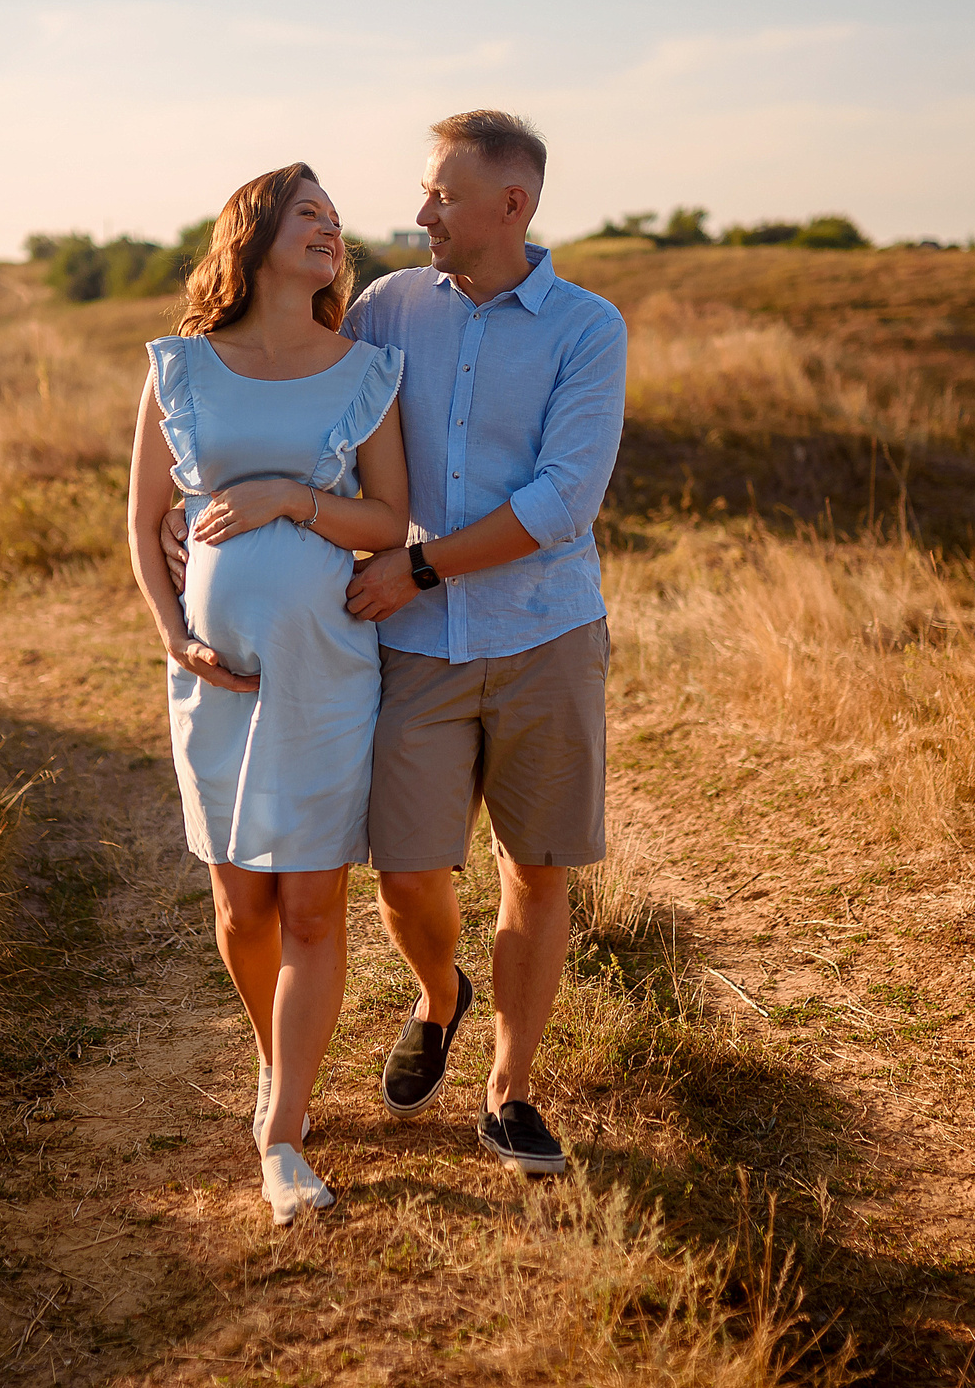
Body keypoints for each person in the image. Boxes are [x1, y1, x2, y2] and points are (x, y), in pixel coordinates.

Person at [168, 111, 628, 1178]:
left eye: (442, 195)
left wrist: (416, 564)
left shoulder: (586, 327)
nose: (418, 211)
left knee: (536, 870)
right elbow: (312, 408)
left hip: (542, 632)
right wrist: (186, 500)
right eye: (424, 191)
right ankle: (437, 992)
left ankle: (509, 1092)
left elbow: (563, 499)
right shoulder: (384, 310)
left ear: (510, 206)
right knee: (409, 877)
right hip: (412, 647)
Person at [125, 161, 409, 1226]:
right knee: (240, 899)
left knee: (313, 901)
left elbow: (390, 519)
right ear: (252, 236)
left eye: (337, 220)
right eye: (309, 215)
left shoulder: (365, 369)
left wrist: (291, 498)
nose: (332, 232)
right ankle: (273, 1064)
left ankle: (282, 1132)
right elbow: (144, 523)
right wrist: (174, 636)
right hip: (212, 671)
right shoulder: (180, 368)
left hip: (330, 669)